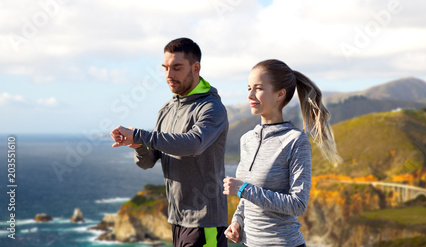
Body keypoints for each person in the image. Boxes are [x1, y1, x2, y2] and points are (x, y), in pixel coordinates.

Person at [110, 37, 229, 247]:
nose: (169, 75)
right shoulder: (167, 109)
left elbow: (193, 144)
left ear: (196, 68)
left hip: (205, 221)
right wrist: (138, 147)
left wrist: (140, 135)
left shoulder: (211, 108)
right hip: (176, 220)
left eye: (176, 67)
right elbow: (147, 162)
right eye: (165, 68)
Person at [223, 59, 341, 246]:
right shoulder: (246, 140)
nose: (250, 95)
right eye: (249, 88)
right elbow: (247, 198)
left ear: (280, 94)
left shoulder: (295, 141)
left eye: (258, 88)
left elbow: (298, 204)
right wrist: (238, 221)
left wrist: (244, 189)